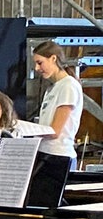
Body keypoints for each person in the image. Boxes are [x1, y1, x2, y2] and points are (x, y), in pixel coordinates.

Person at [32, 41, 83, 170]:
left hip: (59, 155)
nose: (37, 68)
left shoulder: (68, 85)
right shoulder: (52, 88)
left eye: (40, 63)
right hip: (46, 153)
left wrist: (28, 131)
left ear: (53, 58)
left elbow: (55, 131)